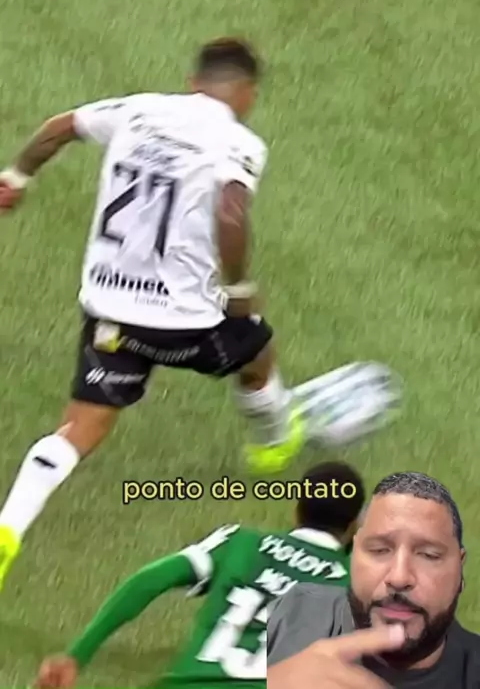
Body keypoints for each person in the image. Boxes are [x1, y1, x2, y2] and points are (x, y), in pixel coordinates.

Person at [0, 37, 400, 590]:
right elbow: (231, 211)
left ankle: (9, 526)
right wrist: (237, 287)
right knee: (256, 350)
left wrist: (16, 178)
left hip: (110, 307)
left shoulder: (137, 110)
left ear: (193, 82)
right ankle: (272, 440)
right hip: (186, 319)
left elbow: (60, 127)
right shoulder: (238, 142)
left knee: (79, 427)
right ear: (248, 94)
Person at [33, 461, 365, 688]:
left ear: (296, 509)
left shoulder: (240, 543)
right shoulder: (361, 585)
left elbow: (149, 580)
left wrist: (76, 655)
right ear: (354, 526)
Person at [267, 471, 480, 688]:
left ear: (459, 570)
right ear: (352, 556)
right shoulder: (295, 610)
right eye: (379, 550)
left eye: (428, 555)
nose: (399, 577)